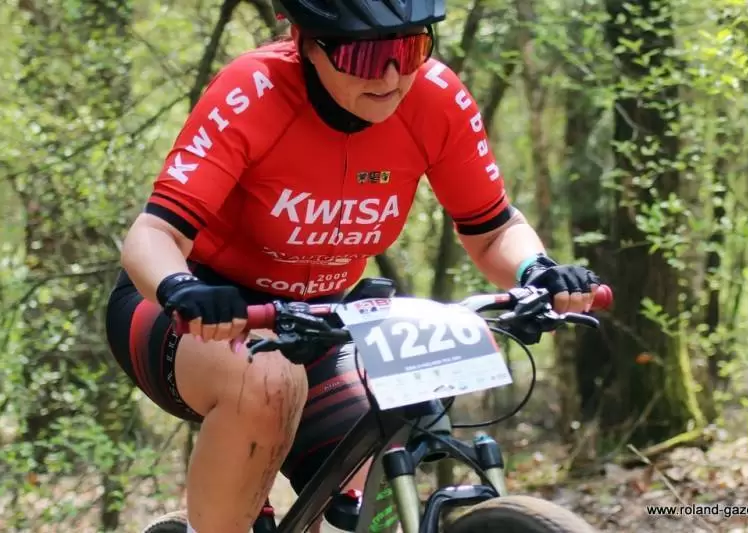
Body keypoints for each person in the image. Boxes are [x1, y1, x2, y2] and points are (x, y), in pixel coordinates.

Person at [105, 0, 602, 531]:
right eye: (364, 57)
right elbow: (152, 235)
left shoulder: (436, 98)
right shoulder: (254, 92)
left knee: (380, 471)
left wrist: (536, 271)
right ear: (307, 43)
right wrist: (180, 287)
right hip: (196, 309)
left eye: (409, 49)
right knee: (266, 381)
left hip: (320, 320)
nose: (390, 76)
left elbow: (494, 230)